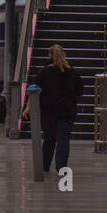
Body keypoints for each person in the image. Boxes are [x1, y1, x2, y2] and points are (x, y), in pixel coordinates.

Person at [23, 44, 83, 174]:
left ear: (49, 56)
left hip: (48, 111)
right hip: (67, 110)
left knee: (49, 138)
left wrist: (27, 108)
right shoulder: (72, 72)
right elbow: (80, 91)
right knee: (63, 138)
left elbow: (34, 91)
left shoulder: (44, 72)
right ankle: (61, 167)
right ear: (64, 54)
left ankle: (44, 166)